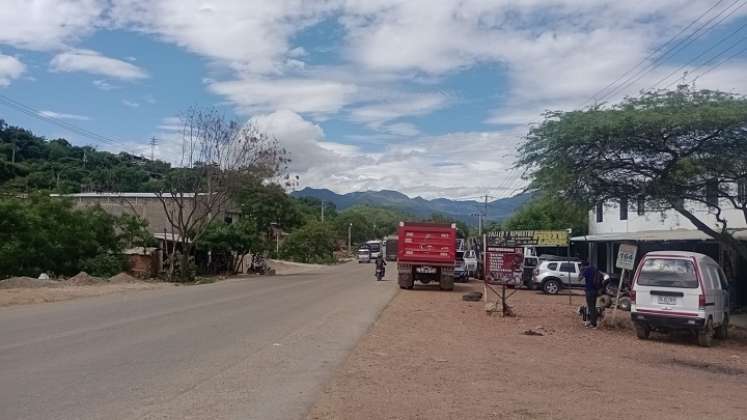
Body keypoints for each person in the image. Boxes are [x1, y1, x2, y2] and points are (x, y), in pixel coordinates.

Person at [581, 260, 600, 328]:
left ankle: (593, 324)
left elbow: (579, 279)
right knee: (593, 306)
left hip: (589, 291)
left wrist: (581, 271)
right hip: (595, 291)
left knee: (591, 307)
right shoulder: (594, 269)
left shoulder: (586, 270)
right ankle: (593, 321)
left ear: (583, 265)